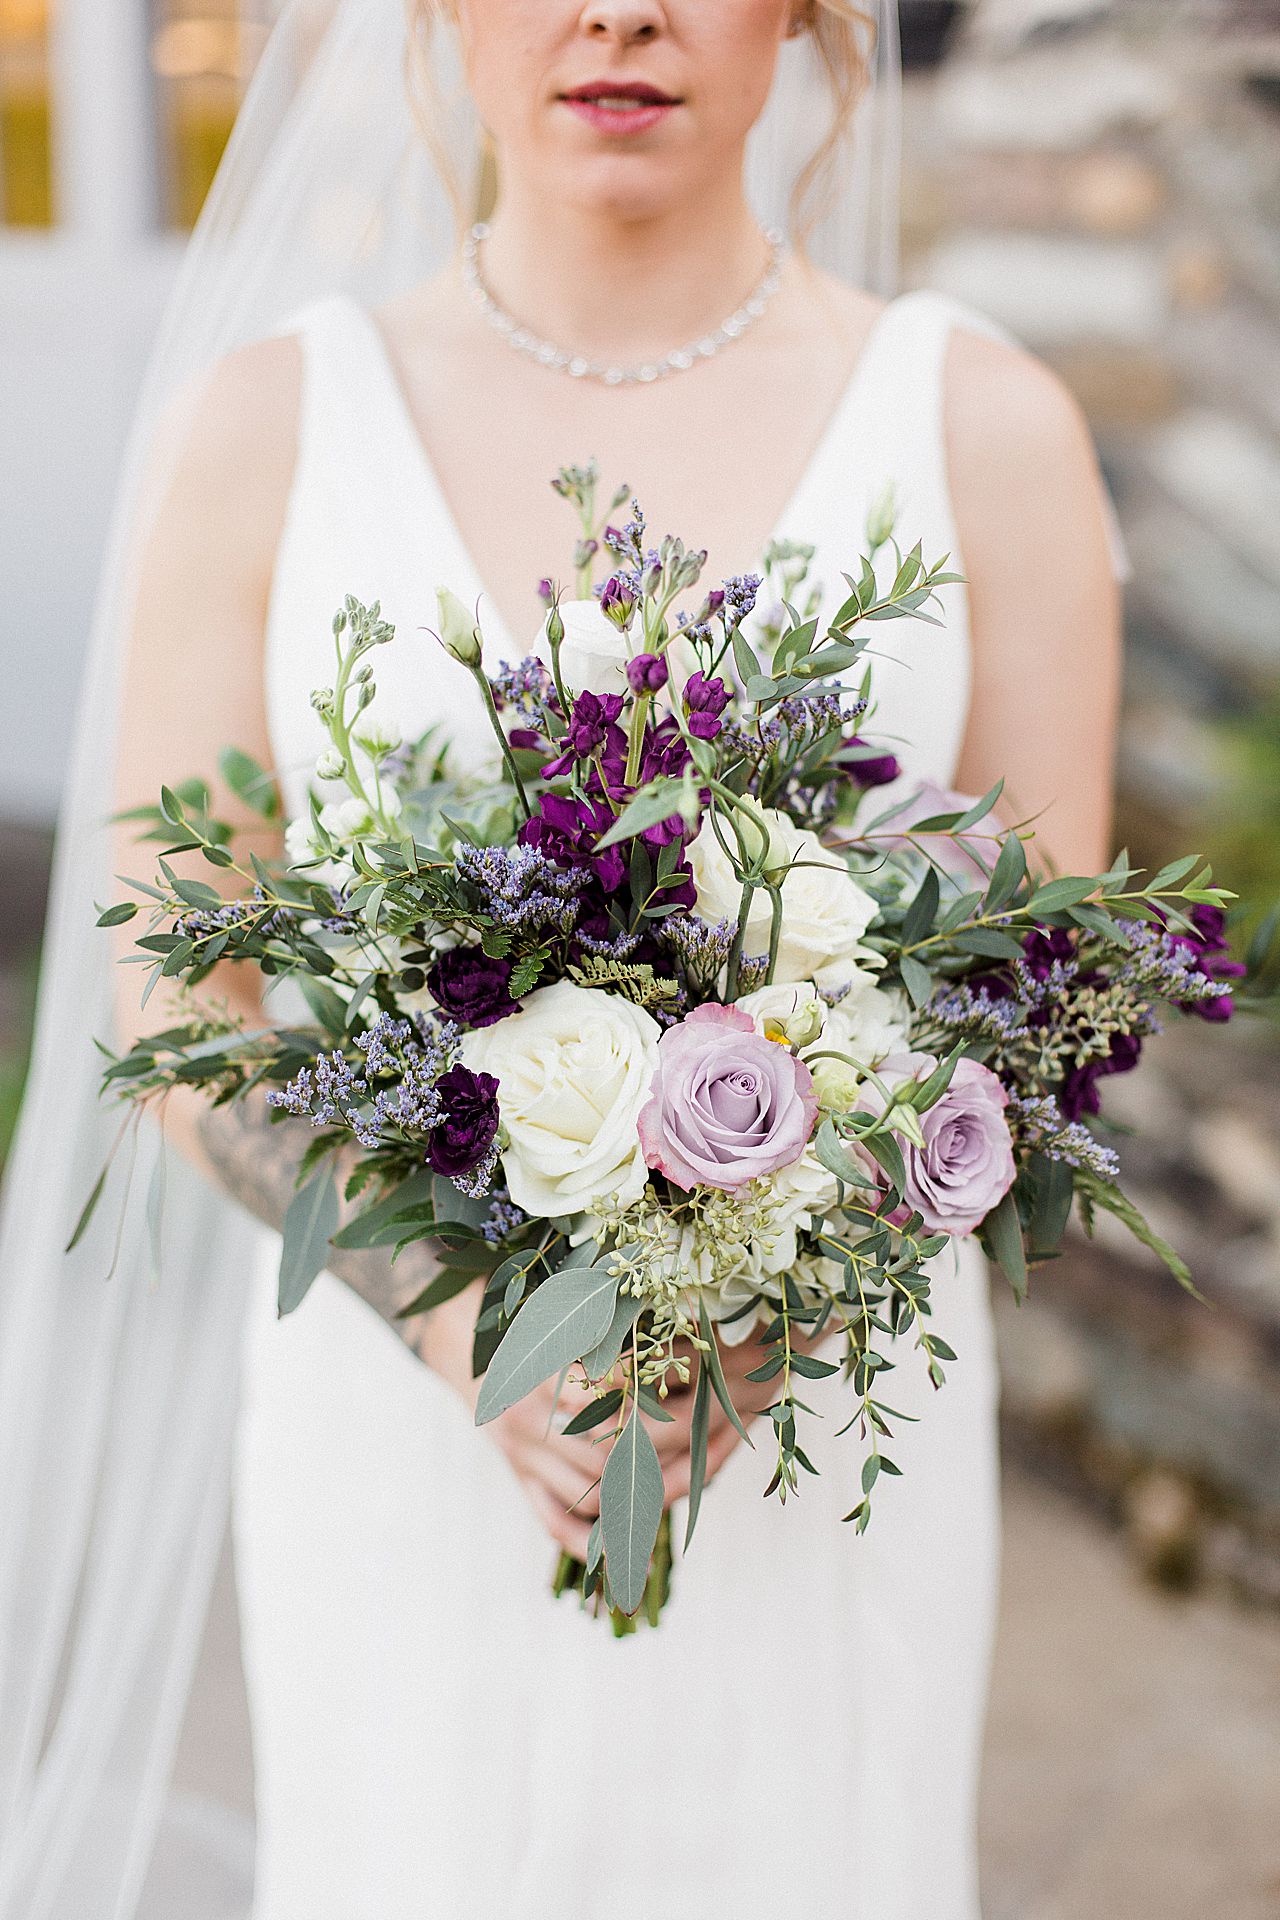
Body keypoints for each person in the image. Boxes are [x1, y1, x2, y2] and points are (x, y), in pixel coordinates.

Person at [1, 2, 1121, 1915]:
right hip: (403, 1449)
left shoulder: (983, 426)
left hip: (827, 1443)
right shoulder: (267, 428)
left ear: (805, 15)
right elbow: (180, 996)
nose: (619, 13)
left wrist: (774, 1299)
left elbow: (1032, 1001)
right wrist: (466, 1326)